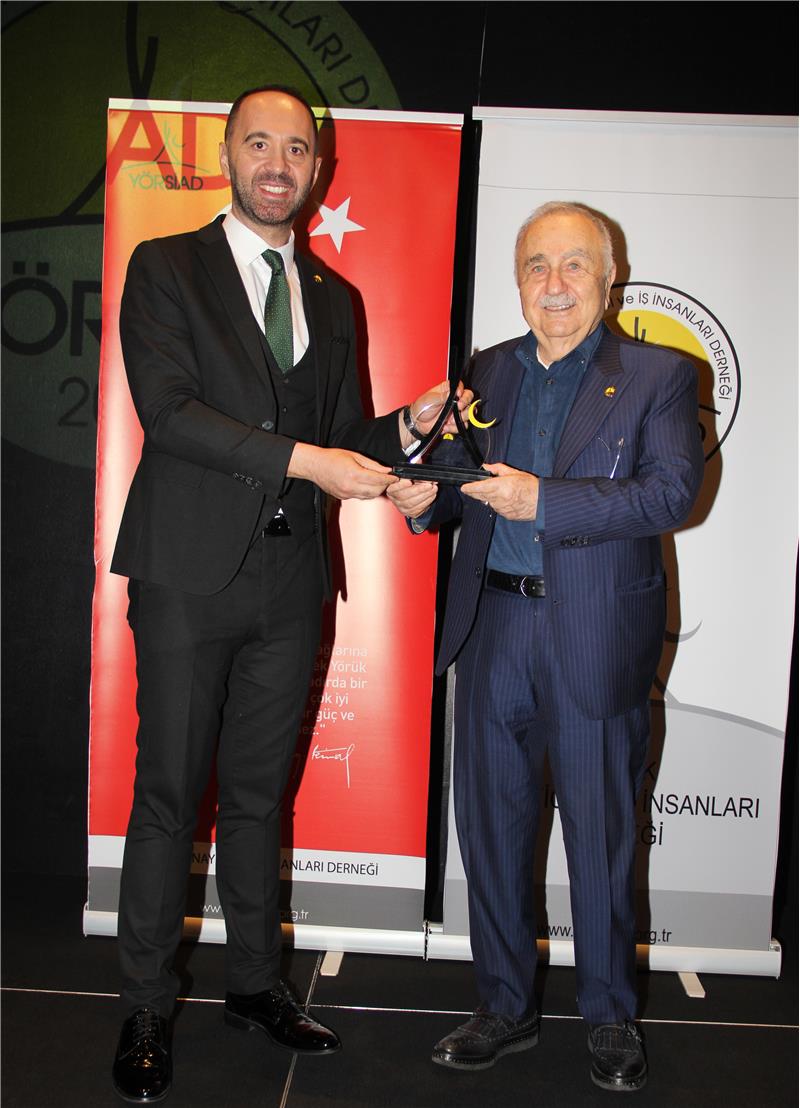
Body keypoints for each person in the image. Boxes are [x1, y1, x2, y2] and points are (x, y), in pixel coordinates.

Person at [109, 85, 465, 1104]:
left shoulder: (335, 297)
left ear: (318, 167)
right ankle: (145, 1006)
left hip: (290, 579)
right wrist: (311, 460)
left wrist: (409, 428)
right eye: (259, 144)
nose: (277, 163)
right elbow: (169, 413)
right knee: (170, 795)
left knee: (261, 797)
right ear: (228, 156)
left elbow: (345, 436)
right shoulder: (165, 266)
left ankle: (255, 984)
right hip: (186, 573)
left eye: (296, 148)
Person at [388, 201, 704, 1092]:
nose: (554, 284)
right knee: (491, 831)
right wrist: (426, 504)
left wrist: (546, 503)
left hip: (595, 632)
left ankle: (609, 1016)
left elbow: (671, 494)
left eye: (573, 265)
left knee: (601, 833)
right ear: (518, 280)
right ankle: (503, 1006)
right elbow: (461, 485)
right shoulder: (487, 369)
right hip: (493, 629)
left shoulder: (659, 375)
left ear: (610, 278)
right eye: (536, 265)